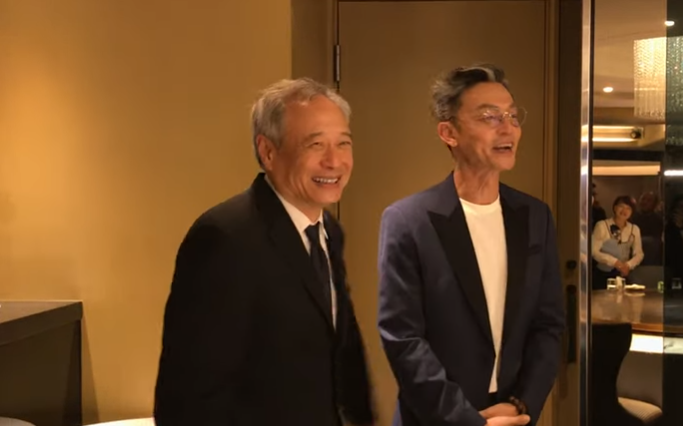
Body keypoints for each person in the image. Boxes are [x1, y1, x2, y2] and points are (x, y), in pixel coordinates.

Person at [154, 78, 374, 426]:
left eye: (343, 144)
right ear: (268, 152)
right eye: (316, 144)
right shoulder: (225, 238)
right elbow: (188, 399)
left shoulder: (328, 232)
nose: (334, 161)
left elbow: (339, 361)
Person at [377, 64, 566, 426]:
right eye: (489, 117)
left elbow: (549, 324)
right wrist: (468, 421)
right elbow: (403, 338)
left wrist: (522, 405)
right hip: (437, 418)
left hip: (511, 417)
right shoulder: (408, 220)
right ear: (448, 132)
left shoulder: (534, 216)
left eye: (512, 116)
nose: (507, 128)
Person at [591, 195, 644, 289]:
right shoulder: (602, 225)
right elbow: (593, 251)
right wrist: (615, 262)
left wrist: (628, 265)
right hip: (603, 274)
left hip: (623, 274)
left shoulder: (634, 229)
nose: (624, 210)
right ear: (615, 208)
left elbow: (639, 253)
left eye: (628, 208)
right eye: (621, 206)